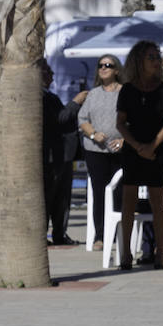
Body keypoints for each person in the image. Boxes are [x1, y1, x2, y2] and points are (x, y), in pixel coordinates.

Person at [114, 40, 163, 270]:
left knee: (157, 200)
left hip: (157, 148)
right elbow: (120, 123)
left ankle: (160, 251)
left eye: (157, 56)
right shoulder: (128, 89)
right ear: (139, 60)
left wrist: (152, 146)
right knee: (128, 201)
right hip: (132, 148)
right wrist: (138, 146)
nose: (156, 61)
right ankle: (126, 252)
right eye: (151, 57)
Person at [78, 54, 125, 249]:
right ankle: (101, 236)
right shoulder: (93, 94)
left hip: (121, 150)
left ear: (116, 70)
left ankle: (122, 235)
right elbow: (82, 120)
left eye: (108, 65)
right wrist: (93, 134)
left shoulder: (125, 92)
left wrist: (124, 140)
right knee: (99, 193)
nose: (104, 68)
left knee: (120, 193)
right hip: (95, 151)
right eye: (100, 65)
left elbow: (133, 120)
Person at [40, 62, 84, 246]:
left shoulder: (50, 95)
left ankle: (60, 233)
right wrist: (76, 102)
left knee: (62, 197)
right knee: (50, 196)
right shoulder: (40, 97)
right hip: (52, 156)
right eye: (48, 71)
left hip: (63, 155)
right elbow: (59, 119)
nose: (51, 75)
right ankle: (45, 234)